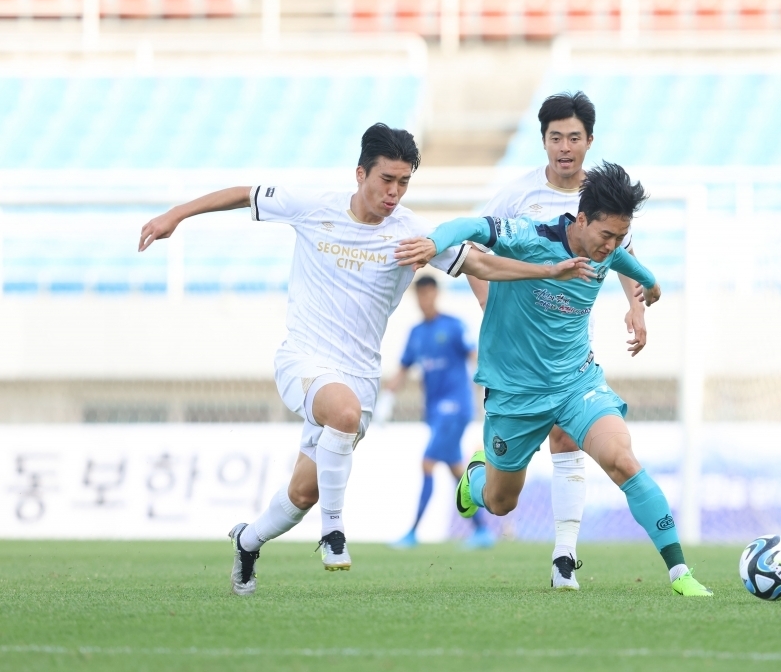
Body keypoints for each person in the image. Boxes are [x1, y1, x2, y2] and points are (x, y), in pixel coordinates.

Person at [137, 123, 594, 596]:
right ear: (361, 174)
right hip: (305, 357)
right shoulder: (315, 207)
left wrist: (543, 271)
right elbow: (242, 194)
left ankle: (247, 542)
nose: (393, 193)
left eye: (403, 183)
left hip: (360, 375)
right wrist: (177, 215)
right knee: (342, 412)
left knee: (301, 494)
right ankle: (333, 533)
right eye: (386, 180)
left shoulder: (414, 232)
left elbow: (479, 263)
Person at [395, 161, 713, 596]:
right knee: (501, 503)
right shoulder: (530, 237)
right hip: (515, 392)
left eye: (620, 238)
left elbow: (632, 266)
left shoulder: (609, 250)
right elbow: (467, 224)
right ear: (581, 220)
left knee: (622, 459)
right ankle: (475, 479)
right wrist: (432, 243)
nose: (611, 247)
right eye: (606, 236)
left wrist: (649, 288)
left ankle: (681, 573)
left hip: (577, 384)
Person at [465, 91, 649, 589]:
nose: (564, 147)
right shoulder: (517, 196)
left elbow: (625, 259)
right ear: (543, 140)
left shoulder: (606, 200)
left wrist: (635, 306)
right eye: (555, 137)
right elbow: (473, 252)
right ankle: (477, 482)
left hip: (570, 347)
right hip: (519, 356)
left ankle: (564, 556)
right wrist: (488, 302)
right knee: (504, 500)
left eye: (574, 137)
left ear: (589, 141)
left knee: (568, 436)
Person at [379, 276, 496, 550]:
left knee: (428, 463)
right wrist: (386, 398)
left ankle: (412, 532)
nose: (424, 299)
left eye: (428, 293)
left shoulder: (453, 327)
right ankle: (482, 531)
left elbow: (474, 356)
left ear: (436, 294)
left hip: (455, 407)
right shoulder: (416, 333)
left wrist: (491, 386)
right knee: (456, 469)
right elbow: (404, 367)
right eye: (420, 295)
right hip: (434, 410)